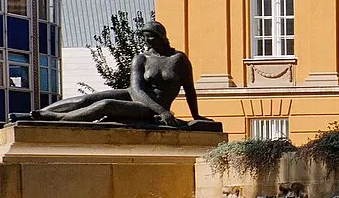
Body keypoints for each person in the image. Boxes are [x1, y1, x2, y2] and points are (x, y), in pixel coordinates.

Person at [25, 21, 215, 128]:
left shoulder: (178, 59)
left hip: (150, 109)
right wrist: (163, 112)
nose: (147, 40)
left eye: (151, 36)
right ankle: (39, 114)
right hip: (137, 97)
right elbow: (136, 89)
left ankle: (58, 120)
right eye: (144, 36)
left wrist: (195, 114)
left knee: (106, 105)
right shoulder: (141, 58)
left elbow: (189, 89)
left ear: (162, 36)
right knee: (87, 99)